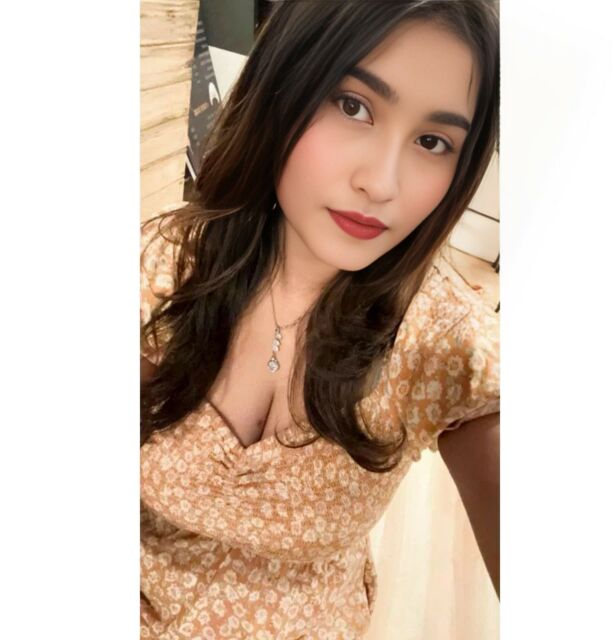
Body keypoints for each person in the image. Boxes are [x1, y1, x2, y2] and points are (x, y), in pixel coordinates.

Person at [140, 1, 500, 637]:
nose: (381, 183)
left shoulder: (446, 341)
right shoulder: (163, 266)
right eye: (353, 105)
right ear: (283, 83)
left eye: (432, 142)